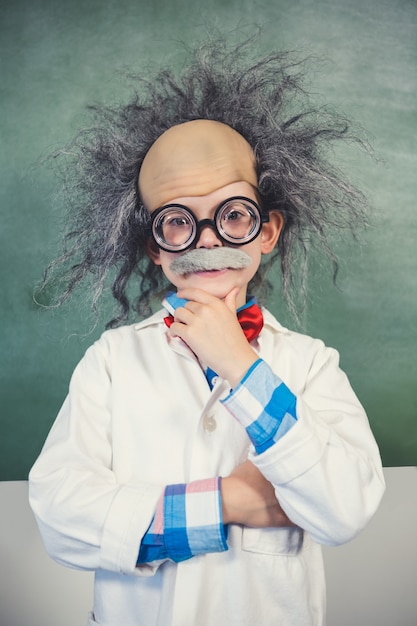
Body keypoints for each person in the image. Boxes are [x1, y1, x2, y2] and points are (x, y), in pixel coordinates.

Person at [29, 36, 385, 626]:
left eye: (233, 214)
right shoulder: (113, 361)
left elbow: (344, 510)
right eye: (177, 222)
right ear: (155, 247)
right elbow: (60, 519)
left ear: (267, 231)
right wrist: (232, 503)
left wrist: (242, 367)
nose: (209, 241)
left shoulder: (312, 363)